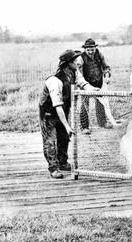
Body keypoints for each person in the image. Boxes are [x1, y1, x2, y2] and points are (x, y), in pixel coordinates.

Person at [38, 49, 98, 179]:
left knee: (64, 137)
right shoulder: (55, 81)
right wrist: (67, 125)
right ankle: (53, 168)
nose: (78, 62)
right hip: (49, 112)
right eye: (75, 60)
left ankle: (63, 162)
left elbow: (83, 84)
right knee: (50, 140)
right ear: (68, 63)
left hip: (63, 108)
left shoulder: (74, 72)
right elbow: (57, 106)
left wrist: (95, 90)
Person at [79, 38, 112, 134]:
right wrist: (84, 85)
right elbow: (79, 74)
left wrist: (106, 76)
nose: (90, 52)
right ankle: (85, 127)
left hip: (99, 83)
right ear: (85, 49)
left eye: (92, 49)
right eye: (88, 50)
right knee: (85, 105)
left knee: (100, 103)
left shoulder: (99, 54)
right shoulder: (81, 58)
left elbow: (106, 67)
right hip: (86, 85)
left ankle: (102, 123)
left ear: (95, 48)